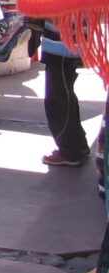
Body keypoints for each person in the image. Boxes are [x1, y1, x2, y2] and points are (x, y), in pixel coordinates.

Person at [40, 21, 90, 166]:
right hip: (62, 45)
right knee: (64, 96)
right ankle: (77, 144)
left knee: (58, 99)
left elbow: (60, 13)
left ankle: (70, 150)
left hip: (63, 47)